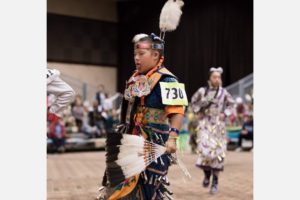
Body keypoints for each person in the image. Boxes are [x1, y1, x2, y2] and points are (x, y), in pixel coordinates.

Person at [98, 1, 186, 199]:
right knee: (119, 184)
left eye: (141, 54)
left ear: (156, 55)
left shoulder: (168, 79)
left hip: (153, 142)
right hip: (129, 139)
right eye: (135, 54)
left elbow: (178, 110)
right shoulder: (135, 78)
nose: (136, 58)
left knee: (149, 186)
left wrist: (173, 137)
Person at [191, 67, 235, 195]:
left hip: (218, 126)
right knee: (205, 152)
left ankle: (215, 182)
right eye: (214, 77)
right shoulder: (202, 91)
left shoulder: (224, 92)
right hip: (205, 125)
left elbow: (231, 104)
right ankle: (207, 174)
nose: (217, 79)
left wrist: (225, 114)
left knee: (217, 154)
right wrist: (198, 111)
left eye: (219, 77)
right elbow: (193, 102)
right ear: (209, 78)